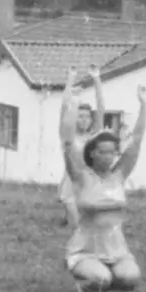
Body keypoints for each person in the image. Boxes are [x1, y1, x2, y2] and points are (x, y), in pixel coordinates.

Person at [61, 66, 146, 292]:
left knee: (131, 278)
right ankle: (88, 286)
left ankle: (105, 285)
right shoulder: (81, 175)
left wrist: (144, 106)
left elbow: (137, 141)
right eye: (102, 152)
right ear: (92, 153)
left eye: (112, 152)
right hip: (86, 250)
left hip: (116, 250)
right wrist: (73, 103)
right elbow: (67, 140)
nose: (108, 157)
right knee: (101, 278)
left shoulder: (119, 174)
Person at [59, 67, 106, 229]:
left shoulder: (93, 136)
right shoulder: (67, 135)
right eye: (80, 116)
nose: (84, 120)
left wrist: (97, 79)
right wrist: (71, 79)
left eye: (87, 116)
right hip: (71, 183)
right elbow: (64, 108)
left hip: (89, 183)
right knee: (77, 227)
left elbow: (101, 109)